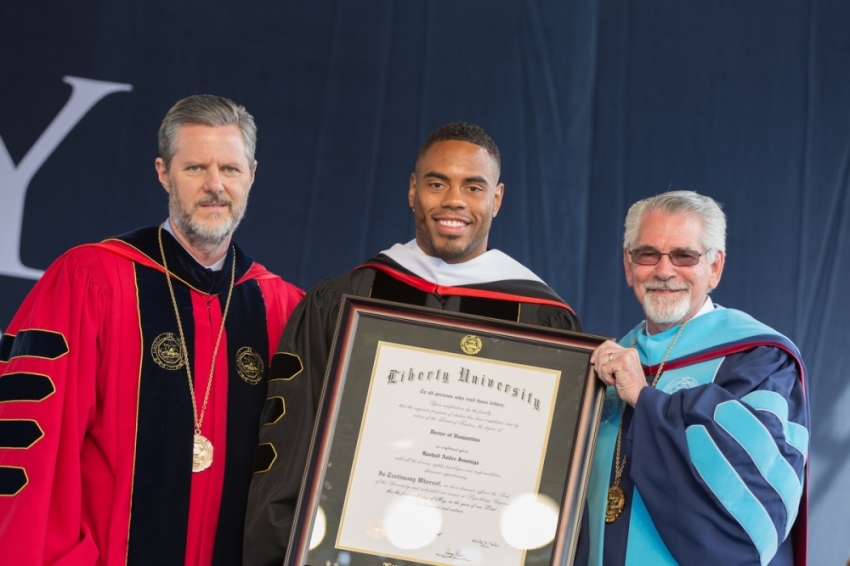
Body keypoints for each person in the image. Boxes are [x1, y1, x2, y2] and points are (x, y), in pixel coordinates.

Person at [244, 122, 582, 565]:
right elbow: (290, 444)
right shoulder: (346, 299)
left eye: (473, 186)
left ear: (496, 199)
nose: (454, 201)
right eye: (437, 183)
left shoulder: (545, 322)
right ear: (412, 190)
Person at [0, 95, 304, 565]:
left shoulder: (281, 307)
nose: (215, 186)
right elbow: (35, 448)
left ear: (253, 176)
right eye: (195, 168)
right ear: (163, 172)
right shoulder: (92, 280)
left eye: (230, 169)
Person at [577, 191, 809, 565]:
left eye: (684, 256)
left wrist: (645, 399)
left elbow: (754, 502)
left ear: (715, 267)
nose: (664, 271)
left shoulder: (758, 360)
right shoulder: (603, 365)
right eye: (647, 254)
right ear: (628, 264)